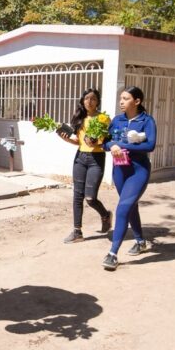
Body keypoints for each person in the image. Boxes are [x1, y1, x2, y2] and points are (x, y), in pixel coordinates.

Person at [102, 87, 157, 271]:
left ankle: (112, 253)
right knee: (130, 206)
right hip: (119, 170)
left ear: (137, 101)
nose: (121, 101)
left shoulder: (146, 121)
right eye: (121, 98)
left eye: (126, 98)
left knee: (123, 208)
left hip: (138, 171)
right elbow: (105, 142)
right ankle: (141, 241)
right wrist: (112, 145)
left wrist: (124, 145)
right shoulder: (117, 120)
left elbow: (150, 145)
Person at [56, 88, 112, 243]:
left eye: (93, 98)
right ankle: (77, 232)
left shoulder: (103, 118)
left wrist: (97, 141)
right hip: (80, 157)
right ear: (82, 101)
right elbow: (79, 142)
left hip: (96, 158)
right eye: (86, 98)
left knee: (90, 197)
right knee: (77, 195)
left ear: (97, 101)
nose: (89, 101)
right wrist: (66, 139)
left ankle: (105, 215)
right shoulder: (80, 118)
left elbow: (107, 140)